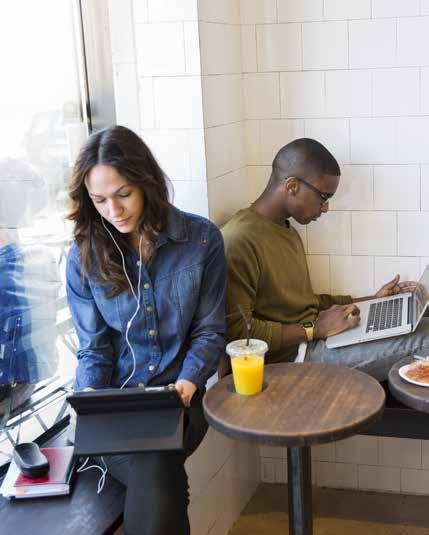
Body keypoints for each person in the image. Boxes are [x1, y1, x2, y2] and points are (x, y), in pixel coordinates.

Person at [66, 125, 226, 535]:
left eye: (123, 195)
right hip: (116, 405)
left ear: (147, 183)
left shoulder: (201, 240)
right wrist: (87, 399)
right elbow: (95, 349)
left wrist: (189, 381)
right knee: (158, 472)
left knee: (157, 463)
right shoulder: (84, 256)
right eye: (99, 200)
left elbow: (210, 332)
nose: (113, 211)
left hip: (182, 402)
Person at [221, 138, 427, 381]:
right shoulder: (239, 239)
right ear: (292, 185)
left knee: (424, 321)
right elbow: (239, 333)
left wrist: (373, 300)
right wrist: (315, 329)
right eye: (323, 197)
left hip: (314, 338)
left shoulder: (285, 229)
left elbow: (305, 302)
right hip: (290, 360)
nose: (326, 208)